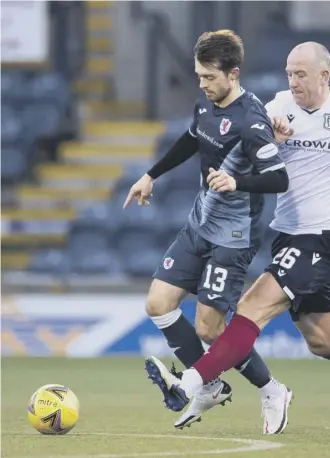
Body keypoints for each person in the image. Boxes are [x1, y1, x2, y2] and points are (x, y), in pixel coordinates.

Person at [145, 42, 330, 435]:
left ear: (323, 75)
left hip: (321, 240)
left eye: (301, 74)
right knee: (325, 340)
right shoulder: (277, 107)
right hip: (286, 236)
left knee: (251, 308)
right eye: (289, 73)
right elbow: (253, 149)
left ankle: (190, 382)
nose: (292, 81)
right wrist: (271, 143)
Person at [124, 30, 291, 431]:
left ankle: (272, 390)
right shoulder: (206, 103)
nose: (201, 83)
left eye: (209, 77)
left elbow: (279, 179)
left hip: (232, 239)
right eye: (198, 75)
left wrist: (238, 182)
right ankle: (211, 385)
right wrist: (151, 175)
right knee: (158, 303)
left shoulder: (252, 121)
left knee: (210, 328)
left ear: (233, 74)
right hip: (199, 225)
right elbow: (191, 139)